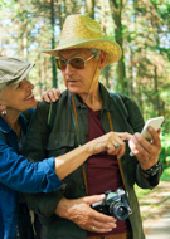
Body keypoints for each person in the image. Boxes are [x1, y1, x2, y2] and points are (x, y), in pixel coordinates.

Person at [23, 15, 162, 239]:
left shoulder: (126, 107)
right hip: (67, 233)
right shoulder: (48, 110)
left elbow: (146, 180)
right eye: (62, 62)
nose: (67, 71)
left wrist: (150, 164)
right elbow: (27, 179)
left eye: (77, 61)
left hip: (124, 232)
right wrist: (65, 208)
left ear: (101, 60)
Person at [0, 57, 130, 239]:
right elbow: (29, 176)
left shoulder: (28, 119)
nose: (30, 86)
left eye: (27, 80)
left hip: (27, 229)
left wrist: (53, 101)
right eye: (18, 85)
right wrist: (91, 147)